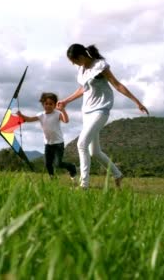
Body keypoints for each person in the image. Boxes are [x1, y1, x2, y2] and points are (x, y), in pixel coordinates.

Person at [57, 44, 149, 189]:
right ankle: (118, 175)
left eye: (74, 61)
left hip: (100, 110)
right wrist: (66, 101)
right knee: (95, 152)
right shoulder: (82, 69)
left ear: (81, 56)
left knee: (81, 144)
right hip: (86, 111)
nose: (74, 64)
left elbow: (117, 85)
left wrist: (137, 102)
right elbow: (83, 88)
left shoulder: (100, 66)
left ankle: (84, 186)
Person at [17, 92, 77, 180]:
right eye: (46, 104)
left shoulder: (57, 114)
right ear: (43, 104)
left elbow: (66, 120)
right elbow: (29, 119)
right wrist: (21, 115)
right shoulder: (41, 115)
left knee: (58, 164)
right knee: (47, 163)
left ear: (55, 104)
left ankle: (72, 167)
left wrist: (62, 110)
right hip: (48, 144)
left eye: (51, 104)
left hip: (58, 144)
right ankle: (52, 177)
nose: (48, 106)